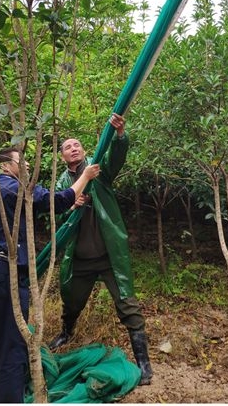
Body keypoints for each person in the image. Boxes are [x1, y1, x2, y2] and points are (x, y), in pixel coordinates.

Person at [0, 147, 100, 403]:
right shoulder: (15, 188)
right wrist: (85, 177)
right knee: (13, 347)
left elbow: (22, 215)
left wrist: (70, 204)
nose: (28, 165)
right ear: (6, 166)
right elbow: (58, 200)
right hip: (3, 274)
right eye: (23, 161)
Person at [48, 113, 153, 385]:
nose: (74, 147)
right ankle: (66, 332)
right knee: (71, 300)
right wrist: (72, 206)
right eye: (68, 146)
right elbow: (55, 217)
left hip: (109, 258)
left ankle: (143, 364)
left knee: (127, 303)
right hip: (80, 259)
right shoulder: (61, 184)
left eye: (77, 144)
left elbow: (114, 159)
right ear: (62, 157)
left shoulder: (97, 170)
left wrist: (119, 136)